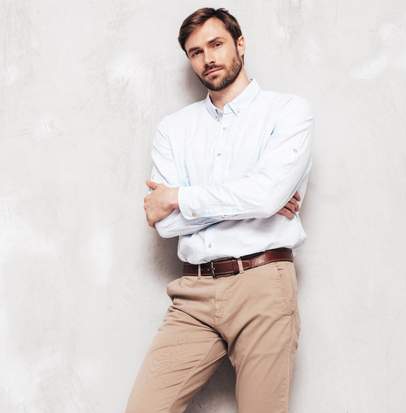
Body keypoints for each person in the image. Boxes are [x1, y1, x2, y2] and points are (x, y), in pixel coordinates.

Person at [125, 7, 314, 413]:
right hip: (194, 291)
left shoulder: (288, 112)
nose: (208, 58)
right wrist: (252, 200)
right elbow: (165, 224)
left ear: (240, 44)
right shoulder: (173, 129)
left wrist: (179, 197)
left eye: (216, 44)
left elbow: (264, 196)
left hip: (263, 284)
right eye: (196, 52)